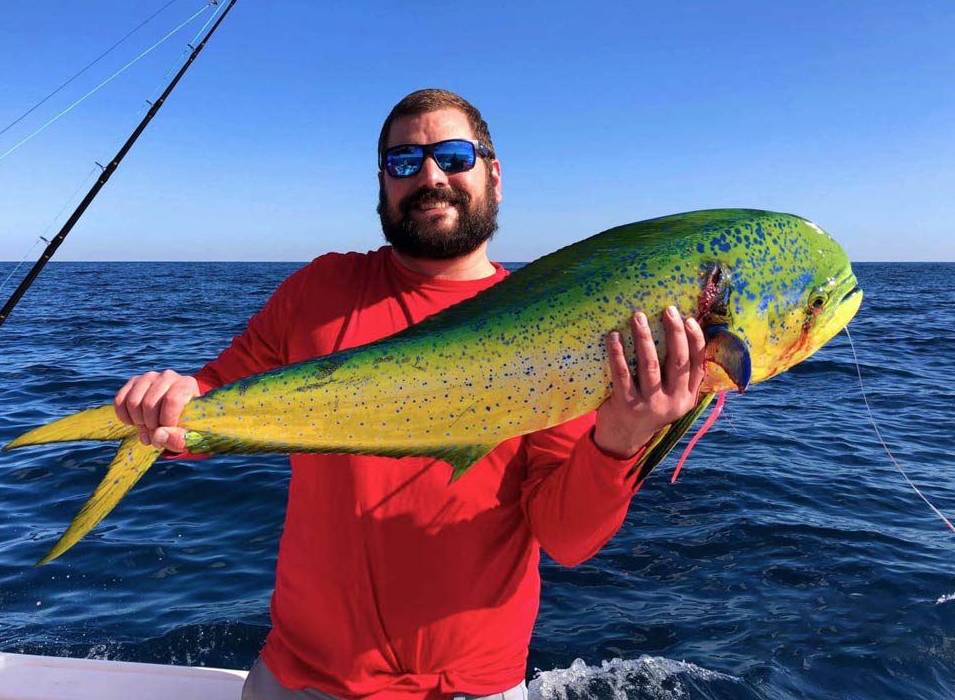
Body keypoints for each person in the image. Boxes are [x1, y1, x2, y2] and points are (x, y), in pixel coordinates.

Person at [113, 89, 706, 700]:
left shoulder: (559, 329)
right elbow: (215, 398)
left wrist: (622, 438)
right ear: (381, 183)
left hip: (471, 690)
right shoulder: (321, 288)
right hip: (300, 679)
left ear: (493, 175)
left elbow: (567, 538)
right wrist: (170, 403)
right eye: (404, 162)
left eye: (453, 156)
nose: (430, 175)